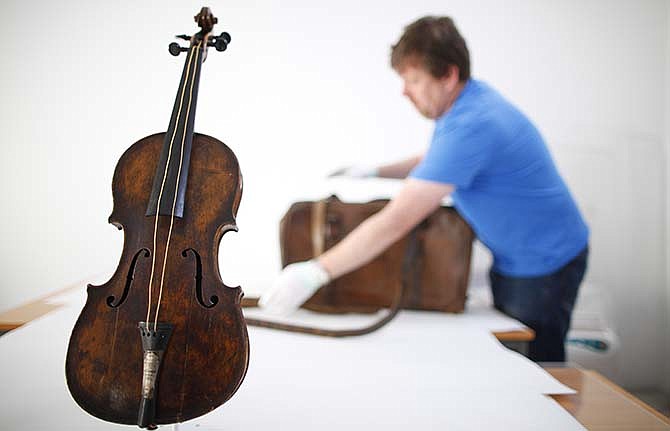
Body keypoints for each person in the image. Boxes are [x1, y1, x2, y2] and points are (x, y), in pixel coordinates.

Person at [259, 16, 589, 362]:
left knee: (536, 368)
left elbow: (396, 220)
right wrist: (375, 171)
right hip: (518, 253)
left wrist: (318, 271)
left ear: (448, 75)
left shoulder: (474, 124)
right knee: (512, 357)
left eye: (413, 79)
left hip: (545, 262)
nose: (404, 91)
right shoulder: (469, 104)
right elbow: (436, 159)